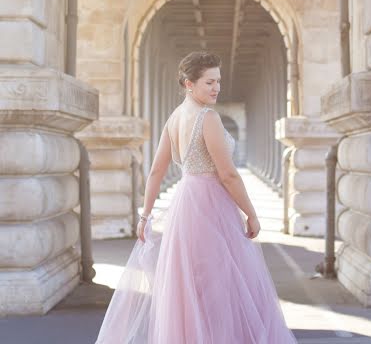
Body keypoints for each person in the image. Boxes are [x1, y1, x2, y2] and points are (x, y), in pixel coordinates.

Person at [94, 51, 297, 343]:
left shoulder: (174, 118)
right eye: (209, 82)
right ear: (189, 84)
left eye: (218, 81)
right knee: (222, 288)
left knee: (191, 288)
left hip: (185, 207)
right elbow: (227, 174)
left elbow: (155, 171)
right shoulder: (208, 118)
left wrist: (145, 215)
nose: (216, 88)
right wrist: (251, 213)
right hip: (212, 206)